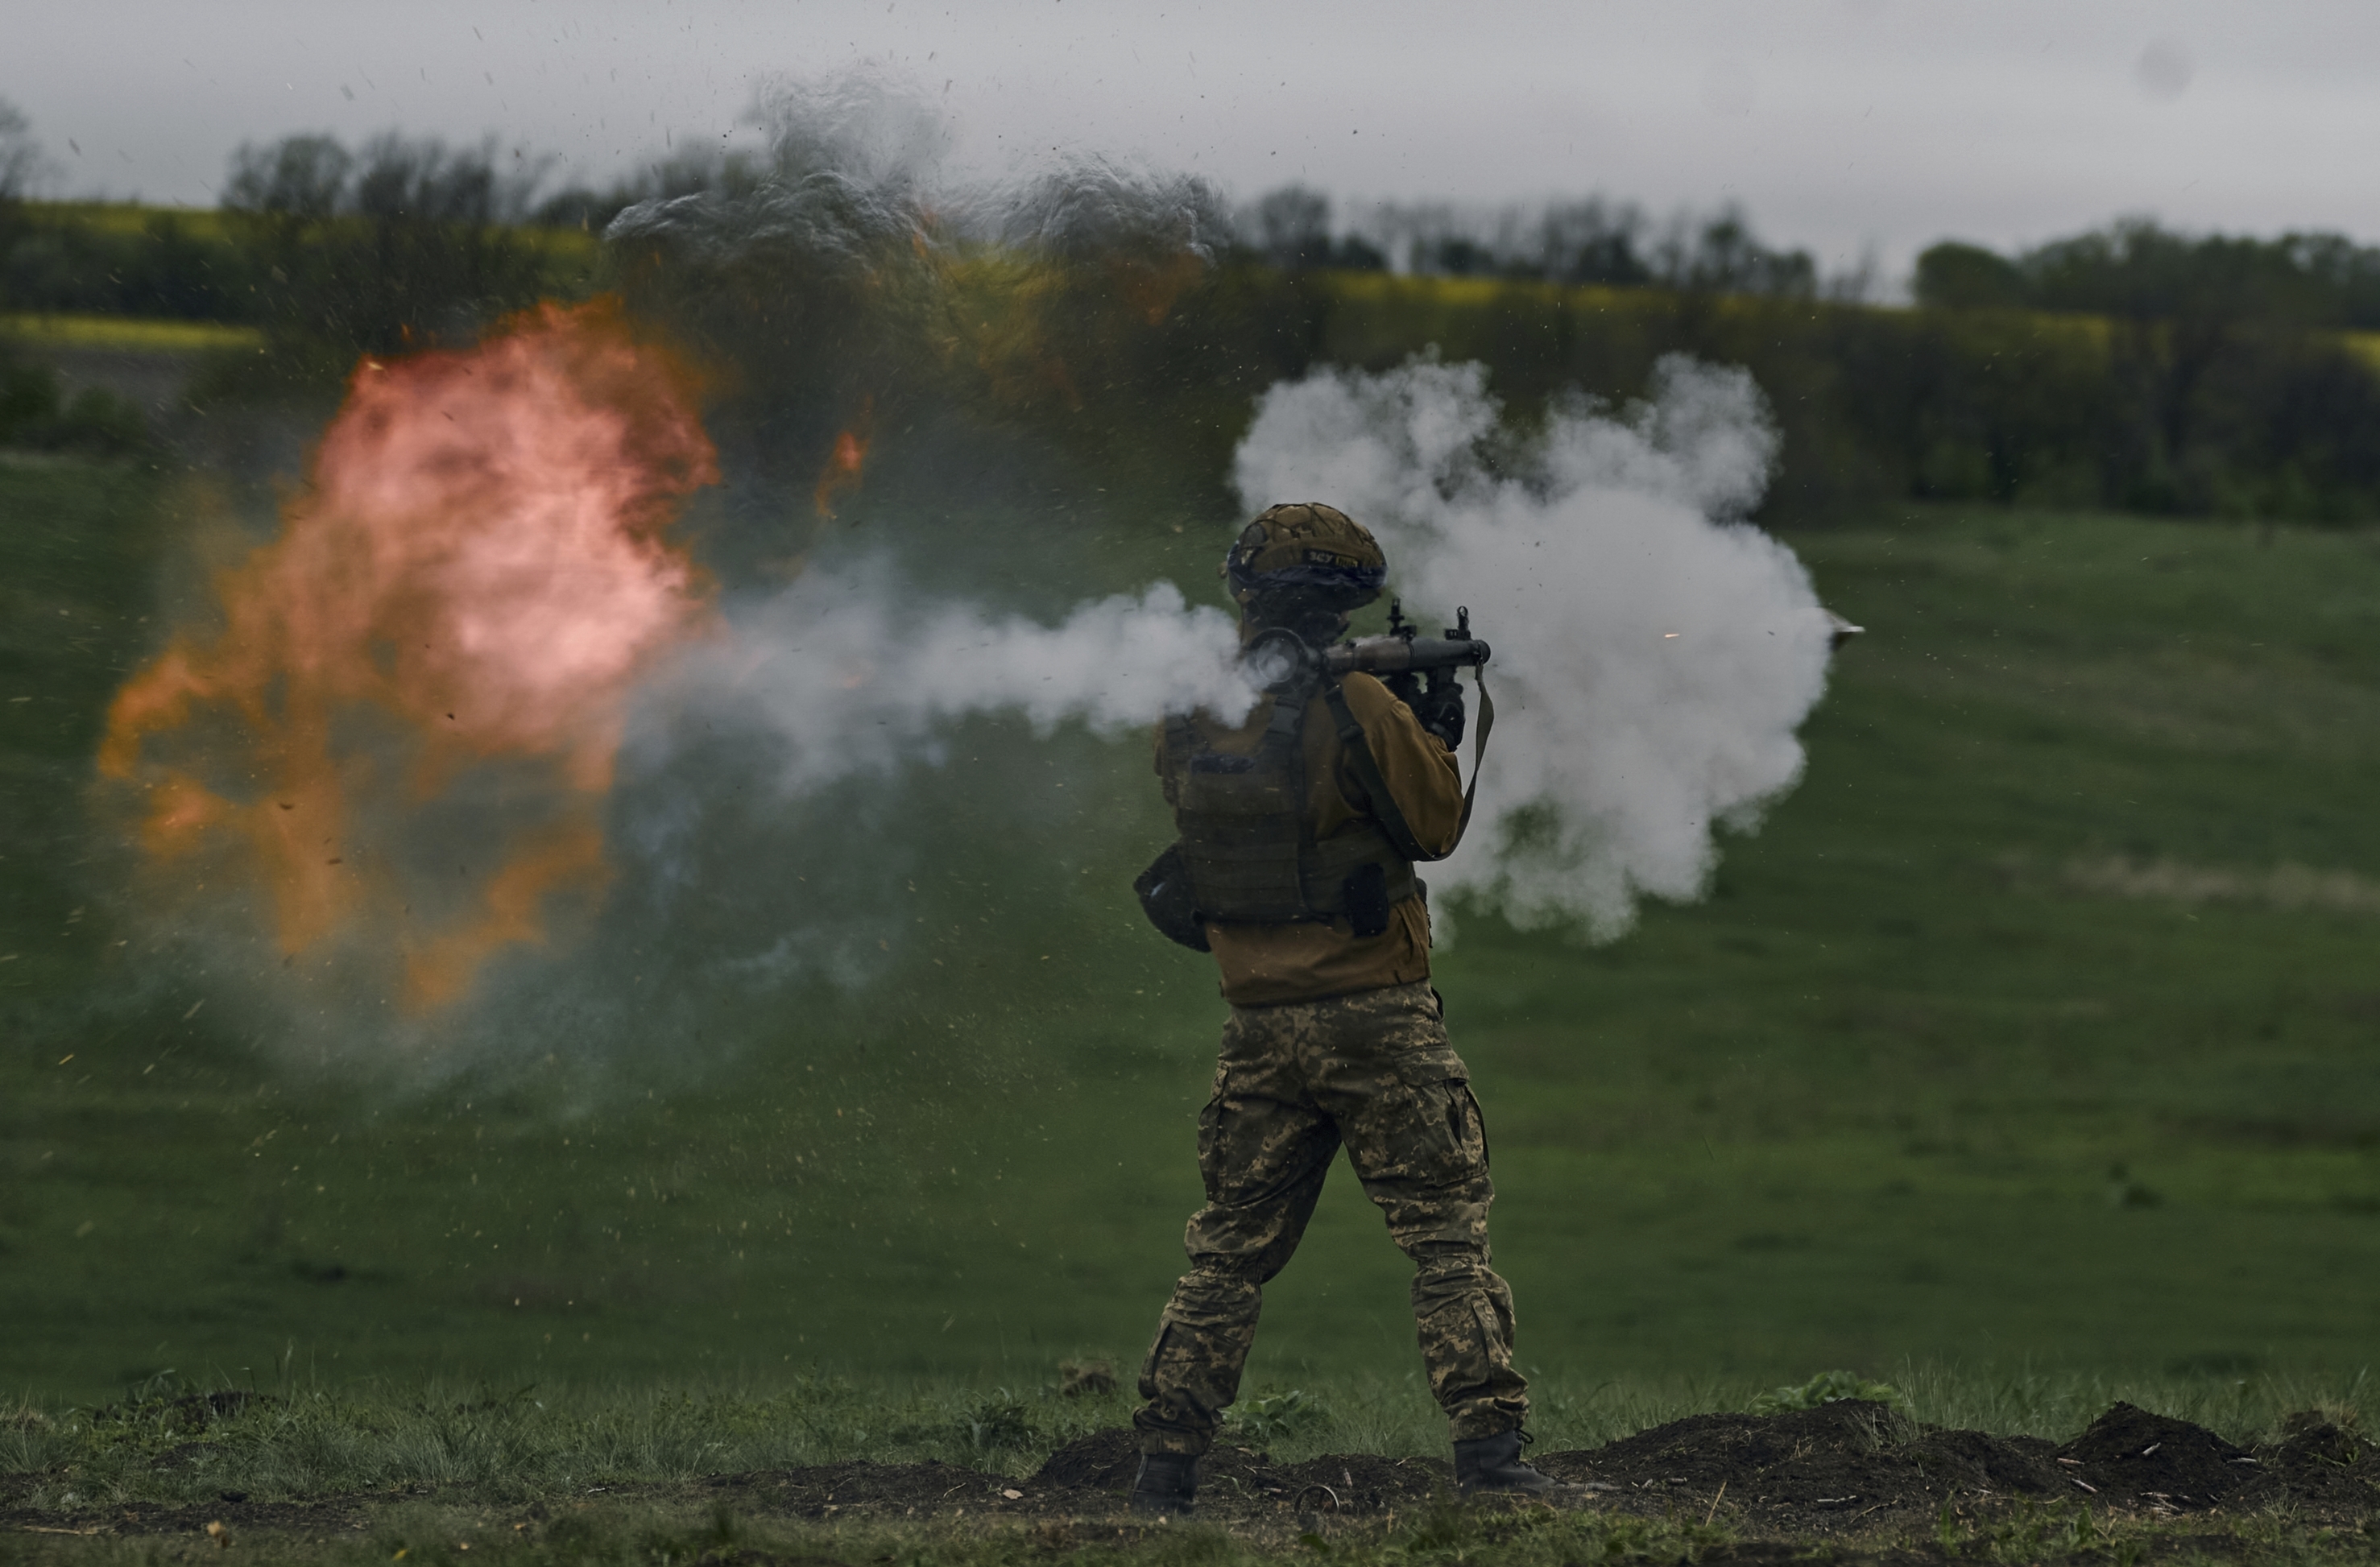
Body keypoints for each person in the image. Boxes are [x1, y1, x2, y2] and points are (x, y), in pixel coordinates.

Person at [1126, 502, 1556, 1515]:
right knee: (1448, 1235)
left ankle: (1164, 1466)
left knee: (1227, 1251)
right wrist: (1432, 728)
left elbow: (1215, 814)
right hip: (1374, 1015)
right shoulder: (1359, 700)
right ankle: (1491, 1457)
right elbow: (1434, 824)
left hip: (1258, 1022)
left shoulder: (1189, 705)